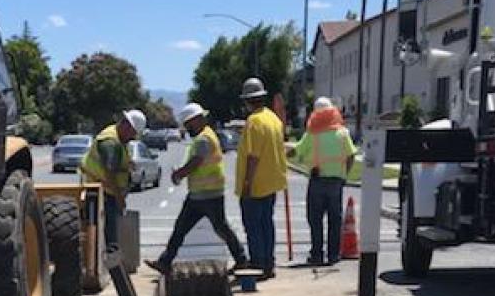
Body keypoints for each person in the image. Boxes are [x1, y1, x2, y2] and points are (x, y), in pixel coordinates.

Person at [150, 103, 247, 275]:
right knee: (182, 228)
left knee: (219, 228)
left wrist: (179, 174)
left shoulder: (203, 139)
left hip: (208, 194)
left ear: (196, 120)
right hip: (200, 194)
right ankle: (165, 261)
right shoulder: (206, 135)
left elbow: (196, 162)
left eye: (188, 124)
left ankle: (241, 259)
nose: (187, 129)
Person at [288, 96, 358, 265]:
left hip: (317, 180)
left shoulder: (312, 134)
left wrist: (284, 152)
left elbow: (297, 151)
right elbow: (351, 155)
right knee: (335, 220)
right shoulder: (342, 133)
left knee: (315, 219)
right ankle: (333, 255)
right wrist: (344, 175)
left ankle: (317, 254)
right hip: (336, 182)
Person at [235, 76, 288, 277]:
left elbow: (253, 157)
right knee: (267, 224)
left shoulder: (254, 122)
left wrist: (247, 183)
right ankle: (268, 263)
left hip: (256, 184)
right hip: (272, 183)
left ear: (248, 101)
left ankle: (258, 264)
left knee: (253, 227)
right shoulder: (273, 119)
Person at [80, 108, 145, 259]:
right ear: (126, 126)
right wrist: (120, 198)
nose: (133, 137)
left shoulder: (119, 139)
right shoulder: (110, 141)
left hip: (107, 191)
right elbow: (109, 172)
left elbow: (115, 164)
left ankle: (108, 258)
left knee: (108, 229)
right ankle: (110, 260)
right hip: (101, 191)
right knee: (107, 232)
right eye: (133, 133)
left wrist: (126, 166)